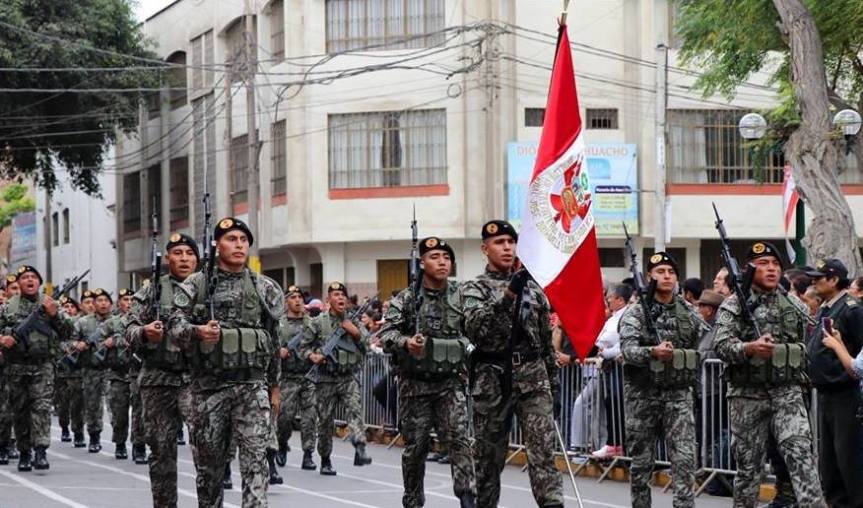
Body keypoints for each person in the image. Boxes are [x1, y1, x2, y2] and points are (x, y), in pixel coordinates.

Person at [169, 218, 284, 507]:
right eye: (232, 239)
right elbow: (174, 325)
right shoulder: (197, 283)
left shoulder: (264, 287)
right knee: (209, 474)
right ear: (217, 245)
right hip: (209, 390)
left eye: (244, 240)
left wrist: (275, 387)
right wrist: (198, 332)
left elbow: (273, 339)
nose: (239, 245)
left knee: (256, 465)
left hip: (252, 388)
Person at [713, 242, 824, 507]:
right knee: (749, 469)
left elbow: (805, 339)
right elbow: (721, 345)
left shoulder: (793, 303)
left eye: (775, 264)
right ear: (750, 269)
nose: (772, 269)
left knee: (801, 456)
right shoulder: (734, 304)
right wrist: (749, 348)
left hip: (787, 392)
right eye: (764, 264)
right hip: (747, 396)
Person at [461, 220, 563, 508]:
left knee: (543, 454)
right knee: (488, 460)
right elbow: (476, 328)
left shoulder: (533, 288)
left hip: (533, 378)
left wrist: (552, 385)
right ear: (485, 248)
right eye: (499, 242)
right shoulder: (474, 289)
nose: (507, 247)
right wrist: (507, 297)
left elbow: (544, 342)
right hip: (492, 380)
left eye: (510, 242)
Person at [379, 236, 477, 508]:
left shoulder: (461, 297)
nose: (442, 262)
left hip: (450, 385)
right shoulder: (407, 299)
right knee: (416, 449)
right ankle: (412, 499)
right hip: (415, 388)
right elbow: (386, 333)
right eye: (434, 257)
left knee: (459, 440)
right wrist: (406, 343)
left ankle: (467, 496)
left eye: (446, 258)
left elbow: (477, 329)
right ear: (421, 263)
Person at [619, 252, 701, 508]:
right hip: (643, 395)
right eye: (660, 272)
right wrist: (652, 352)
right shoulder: (636, 312)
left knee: (685, 460)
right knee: (642, 465)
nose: (666, 276)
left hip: (678, 394)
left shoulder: (688, 312)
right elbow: (628, 351)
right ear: (649, 276)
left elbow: (703, 346)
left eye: (671, 272)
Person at [126, 232, 199, 508]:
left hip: (197, 379)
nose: (184, 258)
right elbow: (128, 330)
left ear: (197, 259)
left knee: (207, 449)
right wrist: (144, 332)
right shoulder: (152, 289)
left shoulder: (207, 287)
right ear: (167, 258)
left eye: (189, 253)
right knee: (161, 450)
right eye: (178, 253)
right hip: (158, 377)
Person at [0, 265, 73, 471]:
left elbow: (69, 332)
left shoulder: (50, 304)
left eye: (33, 277)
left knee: (41, 408)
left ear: (39, 282)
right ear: (17, 283)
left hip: (43, 366)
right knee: (20, 410)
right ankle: (24, 452)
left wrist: (54, 315)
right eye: (25, 278)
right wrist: (3, 339)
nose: (30, 280)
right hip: (15, 367)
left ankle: (40, 451)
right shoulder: (7, 308)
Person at [805, 259, 863, 507]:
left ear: (834, 279)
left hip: (846, 395)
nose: (814, 281)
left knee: (848, 460)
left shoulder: (851, 309)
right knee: (829, 463)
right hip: (826, 394)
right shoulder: (827, 308)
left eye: (819, 277)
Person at [299, 281, 372, 476]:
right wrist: (312, 356)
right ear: (328, 299)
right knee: (325, 421)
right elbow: (303, 347)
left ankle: (359, 446)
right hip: (325, 378)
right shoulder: (317, 323)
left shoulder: (353, 321)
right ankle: (325, 459)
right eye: (336, 294)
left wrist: (355, 332)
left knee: (355, 411)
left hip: (347, 377)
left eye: (343, 295)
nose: (340, 298)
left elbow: (367, 345)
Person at [275, 285, 317, 471]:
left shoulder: (311, 323)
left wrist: (317, 354)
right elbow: (267, 344)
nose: (297, 300)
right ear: (286, 301)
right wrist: (278, 352)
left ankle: (308, 454)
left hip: (308, 377)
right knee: (285, 418)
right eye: (293, 297)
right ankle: (282, 445)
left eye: (300, 297)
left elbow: (321, 342)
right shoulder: (279, 323)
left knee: (310, 418)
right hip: (287, 377)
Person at [591, 283, 630, 459]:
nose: (608, 302)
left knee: (617, 403)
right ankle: (614, 443)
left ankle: (618, 443)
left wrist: (606, 352)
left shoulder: (627, 316)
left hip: (620, 368)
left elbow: (623, 344)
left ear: (620, 300)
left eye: (610, 299)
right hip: (610, 367)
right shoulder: (614, 317)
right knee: (611, 402)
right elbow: (601, 338)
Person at [99, 288, 139, 460]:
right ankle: (120, 444)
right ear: (119, 303)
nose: (129, 302)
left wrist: (116, 341)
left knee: (140, 412)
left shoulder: (141, 321)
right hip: (117, 374)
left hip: (137, 372)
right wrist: (105, 344)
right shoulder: (112, 323)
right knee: (119, 412)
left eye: (132, 299)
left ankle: (139, 445)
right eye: (125, 299)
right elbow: (96, 341)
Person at [73, 287, 114, 453]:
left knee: (115, 405)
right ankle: (94, 436)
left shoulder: (118, 321)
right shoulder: (83, 323)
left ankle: (119, 439)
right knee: (92, 405)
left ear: (111, 304)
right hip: (92, 370)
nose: (103, 304)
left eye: (106, 300)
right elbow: (67, 341)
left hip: (113, 370)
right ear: (93, 304)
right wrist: (76, 345)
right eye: (99, 301)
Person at [55, 296, 85, 447]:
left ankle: (78, 432)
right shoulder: (58, 324)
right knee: (63, 403)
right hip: (60, 370)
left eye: (71, 306)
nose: (69, 309)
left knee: (78, 403)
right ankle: (64, 427)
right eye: (65, 307)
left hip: (77, 369)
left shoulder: (81, 323)